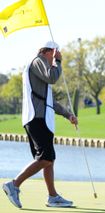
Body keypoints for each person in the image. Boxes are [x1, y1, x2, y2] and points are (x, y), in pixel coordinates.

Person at [2, 41, 78, 208]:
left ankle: (52, 196)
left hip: (40, 119)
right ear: (51, 51)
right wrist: (58, 62)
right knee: (45, 158)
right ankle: (13, 185)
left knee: (49, 159)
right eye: (56, 53)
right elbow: (53, 77)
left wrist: (68, 115)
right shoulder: (39, 61)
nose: (57, 56)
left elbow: (50, 101)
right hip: (37, 119)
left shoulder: (41, 67)